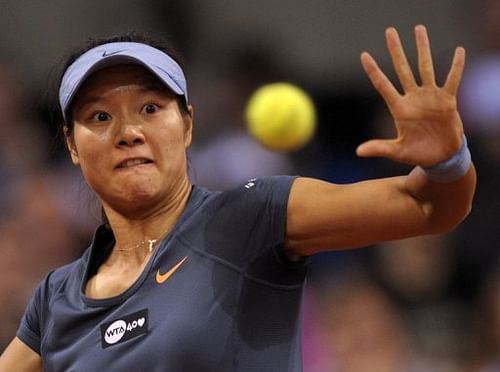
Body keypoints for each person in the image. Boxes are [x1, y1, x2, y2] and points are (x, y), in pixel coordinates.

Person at [0, 25, 476, 371]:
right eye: (99, 118)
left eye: (150, 108)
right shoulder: (55, 297)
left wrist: (448, 160)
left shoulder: (251, 216)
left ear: (187, 125)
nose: (128, 132)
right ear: (71, 146)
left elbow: (427, 206)